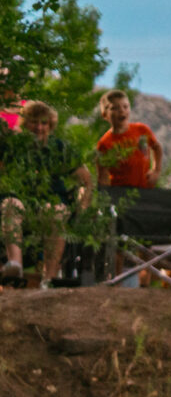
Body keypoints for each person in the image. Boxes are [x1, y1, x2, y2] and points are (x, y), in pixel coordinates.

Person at [0, 101, 90, 287]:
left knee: (56, 211)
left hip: (49, 204)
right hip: (18, 202)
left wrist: (82, 207)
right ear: (25, 123)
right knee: (11, 205)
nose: (38, 127)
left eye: (44, 123)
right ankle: (15, 265)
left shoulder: (58, 148)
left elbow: (86, 180)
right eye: (34, 122)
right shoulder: (13, 145)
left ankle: (48, 279)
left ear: (50, 125)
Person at [91, 88, 161, 191]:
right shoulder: (104, 144)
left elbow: (157, 148)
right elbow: (103, 175)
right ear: (104, 115)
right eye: (115, 108)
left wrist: (156, 170)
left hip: (145, 190)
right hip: (120, 194)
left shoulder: (141, 130)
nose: (122, 111)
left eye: (125, 107)